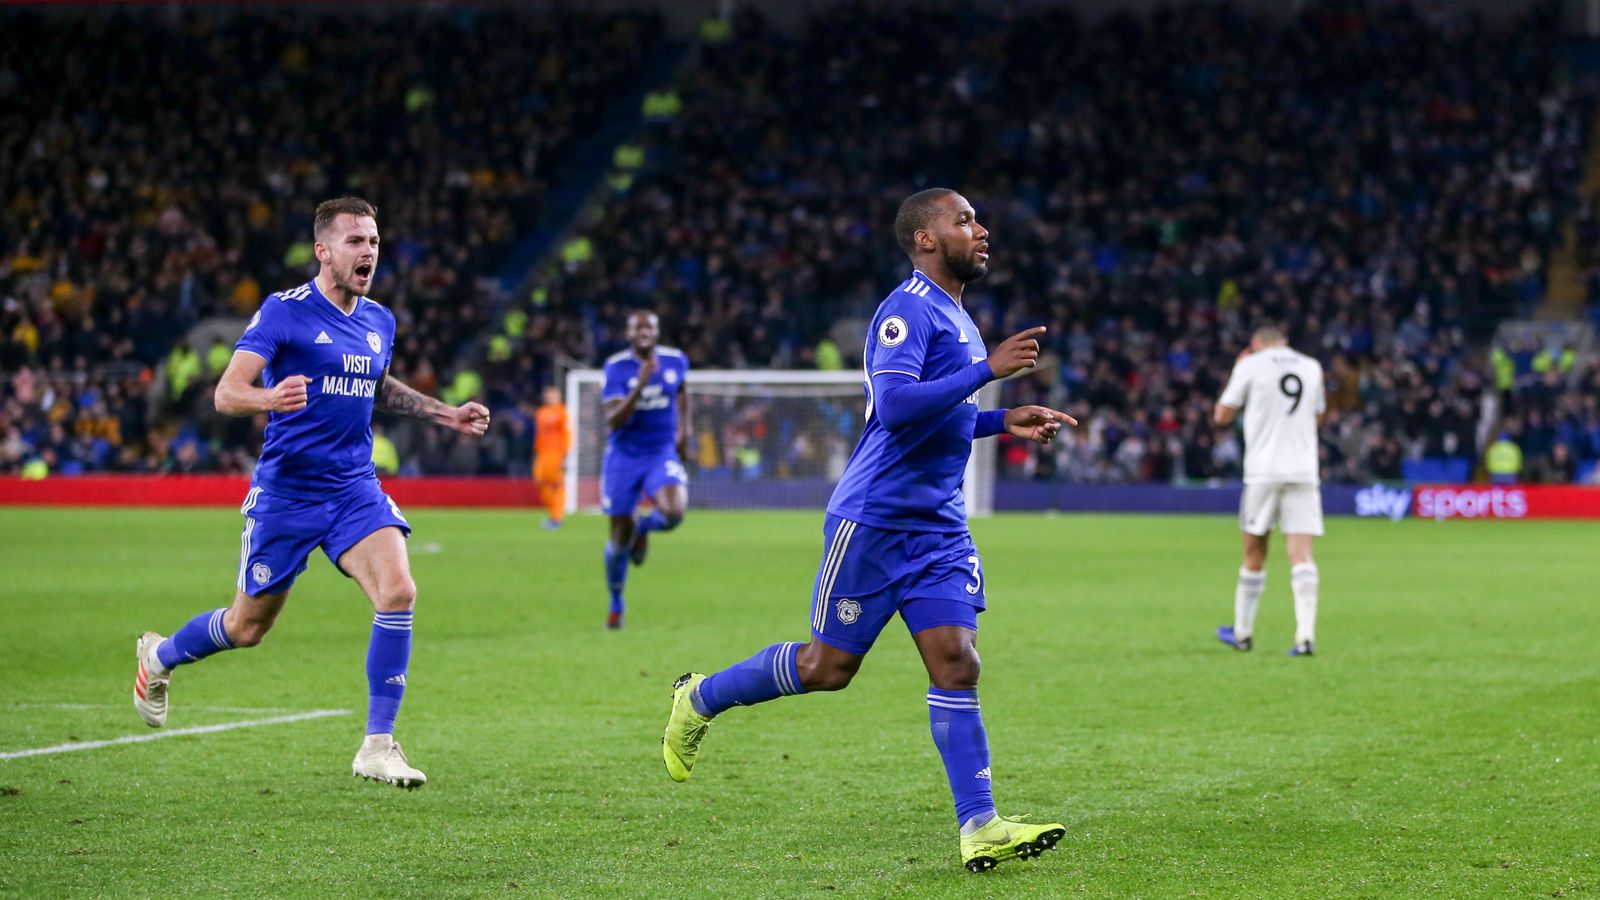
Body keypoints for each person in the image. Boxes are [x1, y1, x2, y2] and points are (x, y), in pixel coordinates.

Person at [660, 188, 1077, 872]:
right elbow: (896, 405)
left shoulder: (960, 318)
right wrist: (985, 373)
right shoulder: (906, 310)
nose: (981, 228)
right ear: (925, 239)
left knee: (957, 661)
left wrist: (1003, 418)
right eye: (963, 220)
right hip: (874, 521)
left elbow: (942, 417)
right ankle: (699, 696)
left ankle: (980, 826)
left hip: (938, 526)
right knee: (829, 668)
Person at [132, 197, 491, 788]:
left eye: (374, 241)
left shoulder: (379, 320)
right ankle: (160, 656)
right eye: (355, 241)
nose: (368, 252)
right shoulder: (283, 312)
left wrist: (444, 414)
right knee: (248, 628)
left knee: (398, 590)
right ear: (323, 251)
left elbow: (376, 386)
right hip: (288, 494)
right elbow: (226, 393)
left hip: (353, 486)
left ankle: (378, 745)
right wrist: (268, 398)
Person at [1213, 325, 1326, 657]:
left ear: (1255, 344)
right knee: (1302, 555)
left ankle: (1244, 633)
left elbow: (1221, 415)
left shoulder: (1250, 365)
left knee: (1254, 553)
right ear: (1285, 342)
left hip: (1263, 471)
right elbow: (1317, 416)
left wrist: (1240, 369)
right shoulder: (1311, 366)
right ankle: (1305, 637)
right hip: (1304, 471)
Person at [600, 310, 691, 629]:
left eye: (650, 327)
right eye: (638, 327)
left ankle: (644, 528)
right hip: (624, 456)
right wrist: (639, 386)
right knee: (618, 538)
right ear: (628, 333)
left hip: (659, 452)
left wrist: (685, 433)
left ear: (656, 331)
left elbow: (682, 393)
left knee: (674, 512)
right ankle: (616, 601)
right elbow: (613, 420)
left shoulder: (676, 360)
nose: (644, 332)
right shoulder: (616, 368)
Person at [533, 385, 571, 528]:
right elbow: (539, 435)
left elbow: (567, 434)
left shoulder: (562, 413)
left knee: (557, 485)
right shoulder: (541, 412)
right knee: (540, 481)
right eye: (547, 394)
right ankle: (553, 512)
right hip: (542, 453)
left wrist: (566, 454)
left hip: (557, 453)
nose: (549, 397)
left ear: (558, 396)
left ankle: (557, 517)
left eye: (552, 394)